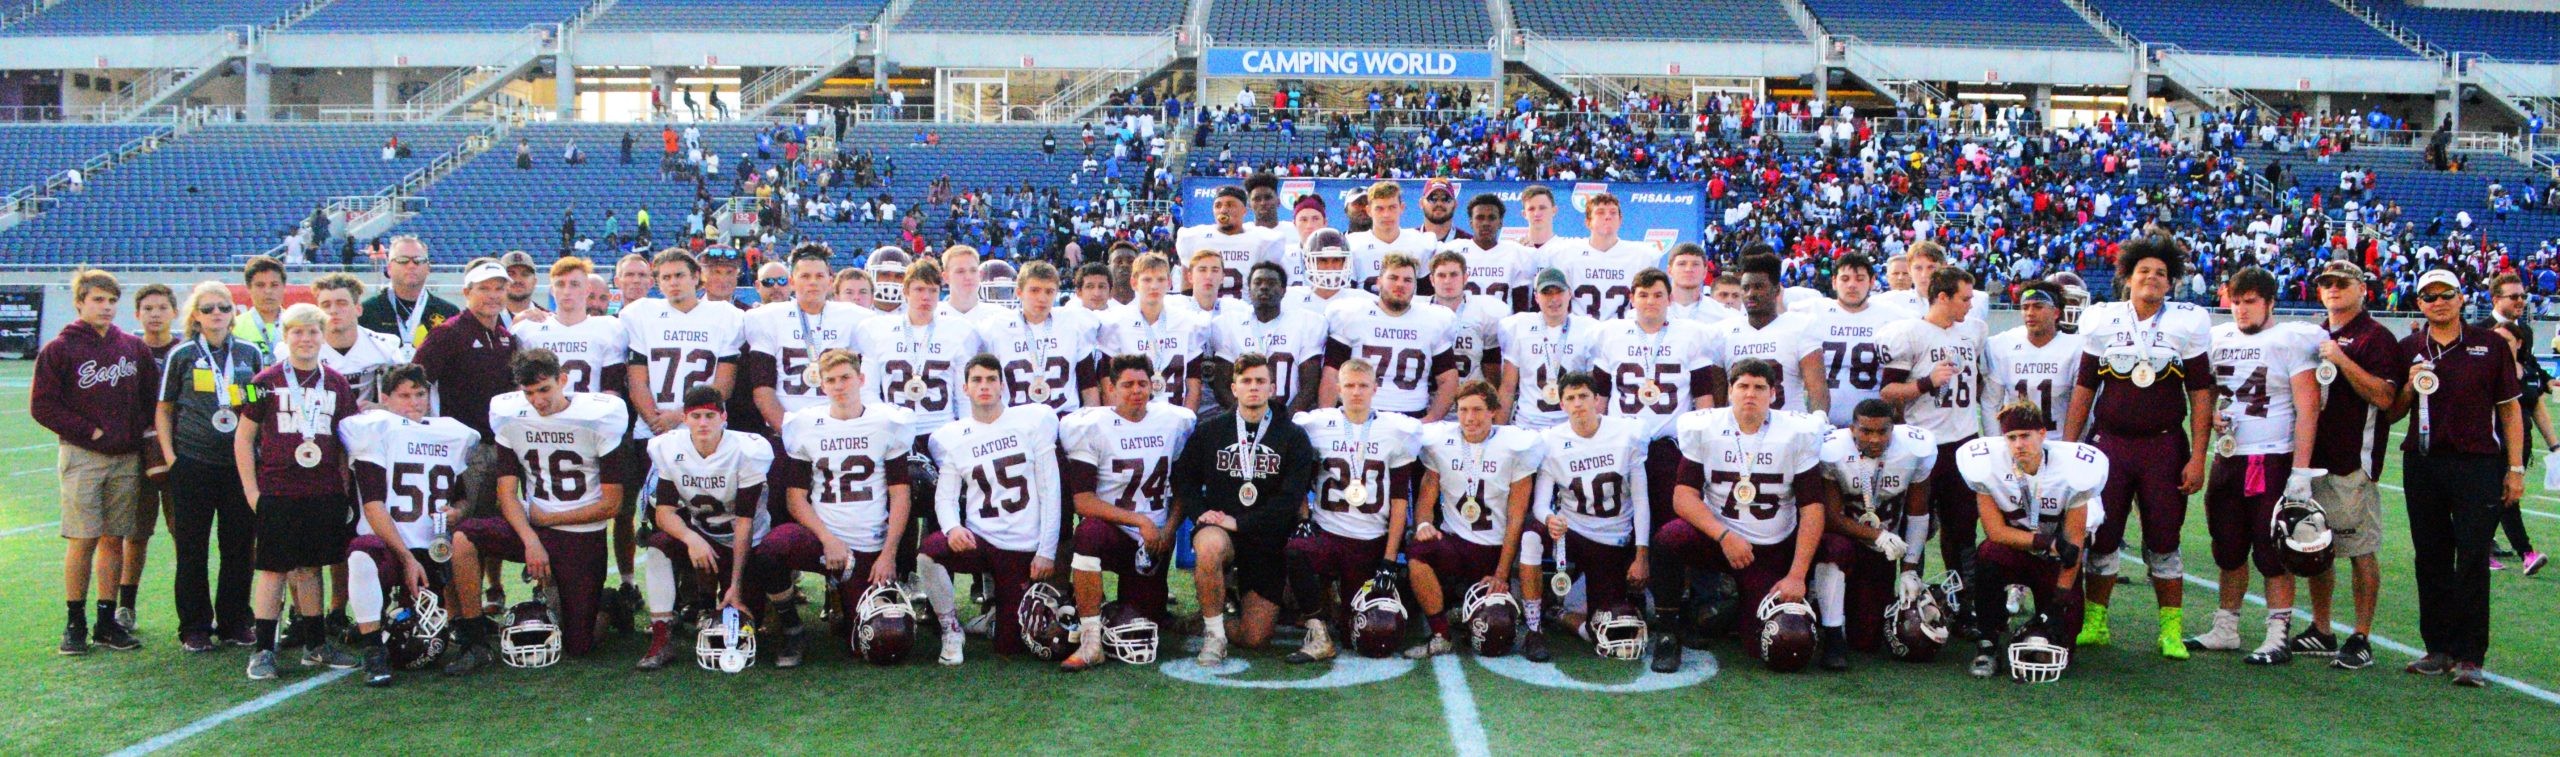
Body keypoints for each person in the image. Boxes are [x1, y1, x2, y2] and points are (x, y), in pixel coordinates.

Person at [2063, 236, 2216, 659]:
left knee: (2164, 538)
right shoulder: (2102, 319)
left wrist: (2198, 456)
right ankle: (2095, 622)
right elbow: (2084, 388)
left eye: (2161, 273)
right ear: (2128, 278)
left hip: (2163, 447)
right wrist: (2069, 448)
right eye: (2144, 270)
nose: (2152, 278)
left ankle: (2171, 630)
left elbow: (2201, 393)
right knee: (2103, 536)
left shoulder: (2188, 322)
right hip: (2110, 445)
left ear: (2171, 282)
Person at [443, 350, 633, 674]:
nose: (537, 401)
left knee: (579, 646)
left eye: (544, 389)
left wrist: (550, 519)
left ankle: (609, 603)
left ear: (563, 380)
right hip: (532, 527)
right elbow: (506, 494)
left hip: (580, 534)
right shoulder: (511, 417)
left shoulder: (599, 418)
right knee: (463, 538)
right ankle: (473, 641)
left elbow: (612, 504)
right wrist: (531, 539)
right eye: (529, 393)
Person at [2183, 266, 2324, 665]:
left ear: (2270, 303)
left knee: (2271, 550)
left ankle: (2277, 635)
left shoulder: (2291, 339)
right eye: (2236, 302)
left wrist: (2301, 471)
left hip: (2271, 456)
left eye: (2250, 302)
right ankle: (2226, 627)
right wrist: (2213, 416)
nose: (2242, 310)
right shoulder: (2219, 338)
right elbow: (2208, 393)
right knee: (2227, 546)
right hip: (2228, 457)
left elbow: (2308, 407)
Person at [2391, 268, 2524, 688]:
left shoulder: (2490, 344)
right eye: (2429, 296)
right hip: (2423, 463)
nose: (2439, 302)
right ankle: (2438, 648)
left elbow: (2509, 409)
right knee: (2429, 557)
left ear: (2462, 297)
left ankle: (2470, 656)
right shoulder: (2409, 347)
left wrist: (2515, 468)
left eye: (2446, 293)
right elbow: (2391, 412)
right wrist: (2409, 387)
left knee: (2472, 558)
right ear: (2419, 303)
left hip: (2477, 464)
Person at [234, 303, 362, 679]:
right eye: (297, 332)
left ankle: (315, 644)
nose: (306, 339)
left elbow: (344, 442)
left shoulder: (337, 382)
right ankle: (262, 649)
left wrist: (342, 488)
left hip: (323, 489)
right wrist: (251, 491)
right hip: (278, 488)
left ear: (323, 336)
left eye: (313, 332)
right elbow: (243, 438)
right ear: (285, 335)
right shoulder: (262, 380)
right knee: (273, 569)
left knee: (311, 568)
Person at [35, 269, 158, 655]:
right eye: (98, 300)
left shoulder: (133, 347)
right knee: (83, 538)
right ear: (79, 303)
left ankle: (107, 622)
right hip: (83, 456)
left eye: (111, 300)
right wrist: (90, 431)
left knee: (114, 538)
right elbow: (43, 405)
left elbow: (150, 399)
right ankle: (75, 622)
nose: (106, 307)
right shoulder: (59, 349)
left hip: (126, 458)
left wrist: (134, 433)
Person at [764, 349, 915, 658]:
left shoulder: (887, 422)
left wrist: (888, 554)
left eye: (845, 378)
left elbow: (900, 494)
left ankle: (840, 597)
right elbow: (795, 498)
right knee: (771, 548)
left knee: (875, 641)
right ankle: (792, 629)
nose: (839, 386)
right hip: (823, 539)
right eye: (831, 380)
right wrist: (827, 539)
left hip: (867, 544)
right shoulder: (806, 424)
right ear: (822, 385)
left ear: (861, 379)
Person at [915, 355, 1064, 665]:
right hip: (980, 539)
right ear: (965, 388)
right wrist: (953, 528)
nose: (984, 386)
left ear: (1002, 386)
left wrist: (1046, 551)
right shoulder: (954, 436)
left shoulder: (1031, 423)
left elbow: (1051, 491)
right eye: (977, 380)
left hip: (1021, 547)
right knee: (929, 553)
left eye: (991, 379)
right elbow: (945, 497)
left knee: (1010, 646)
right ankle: (951, 629)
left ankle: (997, 615)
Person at [635, 385, 794, 670]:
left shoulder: (746, 450)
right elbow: (664, 513)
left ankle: (782, 622)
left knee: (748, 619)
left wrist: (735, 585)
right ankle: (661, 637)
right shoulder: (669, 447)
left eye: (710, 415)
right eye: (696, 416)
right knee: (659, 545)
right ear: (684, 418)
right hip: (704, 535)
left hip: (748, 543)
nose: (703, 423)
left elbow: (744, 522)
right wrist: (691, 538)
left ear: (724, 417)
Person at [338, 364, 478, 686]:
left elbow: (461, 498)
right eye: (404, 396)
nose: (414, 403)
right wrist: (405, 557)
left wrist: (457, 512)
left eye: (419, 394)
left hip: (431, 548)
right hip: (388, 545)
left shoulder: (449, 432)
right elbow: (373, 505)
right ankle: (373, 650)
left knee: (424, 638)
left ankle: (469, 630)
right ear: (385, 398)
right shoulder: (377, 429)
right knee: (360, 556)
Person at [2292, 260, 2402, 669]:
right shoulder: (2317, 333)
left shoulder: (2376, 337)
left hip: (2352, 461)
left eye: (2342, 283)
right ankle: (2322, 629)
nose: (2333, 289)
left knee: (2360, 550)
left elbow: (2385, 398)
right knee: (2316, 549)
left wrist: (2341, 359)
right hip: (2312, 461)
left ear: (2362, 289)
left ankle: (2361, 635)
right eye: (2327, 283)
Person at [1173, 353, 1316, 665]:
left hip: (1267, 539)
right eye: (1246, 381)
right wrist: (1200, 512)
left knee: (1255, 638)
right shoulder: (1211, 431)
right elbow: (1183, 477)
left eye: (1260, 381)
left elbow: (1290, 499)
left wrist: (1241, 523)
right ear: (1233, 388)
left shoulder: (1292, 436)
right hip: (1221, 531)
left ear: (1272, 388)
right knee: (1208, 544)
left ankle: (1215, 616)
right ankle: (1214, 635)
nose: (1253, 387)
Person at [1057, 356, 1198, 671]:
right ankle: (1090, 639)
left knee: (1145, 626)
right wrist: (1140, 520)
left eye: (1142, 384)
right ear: (1110, 388)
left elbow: (1182, 489)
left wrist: (1169, 530)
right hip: (1114, 532)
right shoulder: (1090, 426)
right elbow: (1083, 501)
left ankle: (1111, 613)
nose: (1136, 391)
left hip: (1154, 542)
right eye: (1128, 384)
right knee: (1087, 533)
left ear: (1152, 386)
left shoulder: (1174, 421)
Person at [1955, 401, 2105, 680]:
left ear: (2042, 434)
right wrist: (2046, 542)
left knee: (2062, 641)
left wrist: (2059, 600)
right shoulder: (1987, 465)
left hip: (2055, 562)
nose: (2018, 444)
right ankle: (1988, 642)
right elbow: (1995, 532)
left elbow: (2074, 544)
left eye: (2025, 436)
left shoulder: (2072, 470)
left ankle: (2042, 624)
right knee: (1988, 553)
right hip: (2016, 552)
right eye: (2011, 437)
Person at [1287, 357, 1423, 663]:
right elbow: (1297, 476)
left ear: (1375, 388)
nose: (1356, 392)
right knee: (1297, 550)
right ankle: (1317, 628)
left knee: (1363, 638)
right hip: (1327, 532)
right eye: (1349, 385)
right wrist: (1304, 518)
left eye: (1363, 386)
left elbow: (1400, 500)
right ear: (1338, 389)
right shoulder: (1316, 425)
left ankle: (1340, 606)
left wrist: (1389, 559)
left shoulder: (1396, 430)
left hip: (1369, 540)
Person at [157, 281, 264, 652]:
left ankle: (235, 621)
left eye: (223, 307)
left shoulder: (250, 353)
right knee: (192, 548)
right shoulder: (183, 354)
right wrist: (172, 458)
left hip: (239, 466)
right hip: (194, 463)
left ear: (233, 313)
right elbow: (164, 408)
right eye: (208, 308)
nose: (216, 313)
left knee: (239, 546)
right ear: (195, 316)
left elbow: (257, 405)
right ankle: (194, 626)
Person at [1405, 380, 1543, 659]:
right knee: (1418, 551)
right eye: (1463, 410)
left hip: (1493, 549)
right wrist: (1423, 525)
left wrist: (1502, 573)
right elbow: (1425, 499)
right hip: (1454, 542)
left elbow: (1516, 518)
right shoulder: (1441, 441)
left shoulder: (1514, 445)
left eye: (1478, 409)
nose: (1470, 418)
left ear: (1493, 411)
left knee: (1495, 635)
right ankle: (1441, 634)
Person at [1588, 268, 1719, 551]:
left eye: (1658, 295)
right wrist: (1596, 440)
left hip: (1668, 446)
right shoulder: (1610, 333)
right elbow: (1600, 396)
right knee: (1621, 519)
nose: (1650, 301)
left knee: (1666, 522)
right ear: (1632, 298)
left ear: (1670, 299)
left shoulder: (1692, 334)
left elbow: (1703, 398)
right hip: (1622, 443)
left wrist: (1703, 448)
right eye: (1644, 295)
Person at [1532, 369, 1655, 663]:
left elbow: (1641, 500)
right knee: (1530, 537)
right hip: (1571, 532)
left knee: (1606, 628)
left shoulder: (1626, 434)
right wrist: (1549, 518)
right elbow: (1540, 504)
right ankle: (1533, 623)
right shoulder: (1551, 441)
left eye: (1584, 396)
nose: (1578, 404)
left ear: (1597, 400)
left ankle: (1558, 614)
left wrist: (1641, 555)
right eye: (1570, 398)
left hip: (1611, 540)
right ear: (1561, 403)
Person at [1816, 399, 1936, 662]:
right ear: (1852, 429)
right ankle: (1831, 632)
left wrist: (1909, 570)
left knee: (1866, 640)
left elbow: (1918, 513)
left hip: (1883, 550)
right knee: (1834, 548)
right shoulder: (1833, 450)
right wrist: (1877, 535)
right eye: (1866, 431)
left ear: (1893, 429)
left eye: (1882, 431)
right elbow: (1831, 518)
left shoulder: (1915, 449)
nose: (1875, 439)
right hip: (1848, 539)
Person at [745, 245, 872, 432]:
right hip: (787, 425)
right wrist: (788, 431)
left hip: (841, 428)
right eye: (805, 276)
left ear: (830, 281)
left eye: (819, 276)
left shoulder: (855, 317)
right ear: (792, 282)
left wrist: (850, 427)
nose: (813, 282)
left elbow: (865, 385)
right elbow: (763, 390)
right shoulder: (766, 317)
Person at [1321, 253, 1457, 420]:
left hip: (1412, 417)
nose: (1400, 284)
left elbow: (1448, 379)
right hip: (1357, 415)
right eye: (1393, 278)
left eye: (1408, 280)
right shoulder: (1351, 315)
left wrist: (1430, 420)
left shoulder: (1434, 320)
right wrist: (1327, 419)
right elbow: (1331, 374)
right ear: (1379, 282)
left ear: (1415, 286)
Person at [2477, 273, 2550, 574]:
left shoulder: (2525, 332)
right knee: (2500, 494)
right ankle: (2523, 552)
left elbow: (2531, 383)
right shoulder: (2477, 331)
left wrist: (2554, 443)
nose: (2521, 301)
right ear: (2495, 299)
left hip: (2519, 432)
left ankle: (2486, 545)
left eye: (2523, 296)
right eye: (2514, 296)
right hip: (2489, 433)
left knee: (2505, 493)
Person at [975, 260, 1102, 414]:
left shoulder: (1074, 323)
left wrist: (1090, 420)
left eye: (1049, 291)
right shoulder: (994, 328)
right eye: (1034, 290)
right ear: (1019, 292)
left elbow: (1089, 387)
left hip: (1064, 419)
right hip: (1014, 420)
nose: (1042, 298)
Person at [125, 284, 180, 635]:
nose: (155, 314)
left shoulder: (186, 350)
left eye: (162, 307)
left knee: (183, 533)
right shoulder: (127, 351)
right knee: (136, 533)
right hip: (135, 453)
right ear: (137, 314)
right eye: (148, 308)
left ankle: (190, 608)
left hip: (179, 453)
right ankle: (125, 606)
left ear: (174, 312)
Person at [1711, 251, 1827, 415]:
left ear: (1776, 290)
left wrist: (1818, 421)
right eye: (1746, 288)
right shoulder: (1723, 331)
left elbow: (1817, 388)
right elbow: (1718, 397)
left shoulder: (1801, 327)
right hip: (1738, 427)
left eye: (1758, 287)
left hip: (1788, 425)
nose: (1751, 294)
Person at [1207, 262, 1326, 414]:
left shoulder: (1305, 324)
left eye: (1271, 283)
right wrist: (1247, 417)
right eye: (1258, 283)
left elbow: (1310, 386)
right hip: (1242, 419)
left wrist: (1283, 421)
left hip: (1289, 419)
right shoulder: (1229, 324)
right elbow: (1222, 387)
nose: (1264, 287)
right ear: (1249, 291)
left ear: (1283, 291)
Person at [1806, 254, 1908, 428]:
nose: (1852, 285)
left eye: (1860, 279)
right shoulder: (1812, 312)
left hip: (1874, 426)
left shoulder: (1894, 316)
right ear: (1834, 282)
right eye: (1845, 279)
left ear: (1872, 281)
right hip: (1822, 424)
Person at [1099, 253, 1212, 411]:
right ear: (1134, 282)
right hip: (1130, 416)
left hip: (1175, 416)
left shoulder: (1188, 322)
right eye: (1147, 280)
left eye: (1160, 279)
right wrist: (1120, 420)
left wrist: (1187, 420)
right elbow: (1108, 384)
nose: (1154, 286)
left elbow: (1194, 385)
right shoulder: (1116, 322)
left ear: (1169, 283)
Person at [1497, 268, 1601, 431]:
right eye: (1546, 293)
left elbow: (1594, 390)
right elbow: (1508, 387)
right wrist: (1498, 430)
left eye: (1559, 292)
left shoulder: (1588, 330)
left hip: (1570, 427)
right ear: (1536, 297)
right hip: (1527, 425)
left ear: (1570, 294)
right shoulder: (1519, 326)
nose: (1554, 299)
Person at [1987, 279, 2085, 439]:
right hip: (2017, 444)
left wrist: (2068, 446)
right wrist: (1996, 443)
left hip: (2058, 441)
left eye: (2038, 307)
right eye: (2025, 307)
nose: (2030, 313)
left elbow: (2082, 407)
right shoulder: (2002, 344)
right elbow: (1991, 403)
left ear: (2056, 313)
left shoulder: (2077, 348)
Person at [1548, 194, 1653, 320]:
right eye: (1600, 212)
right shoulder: (1567, 254)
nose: (1608, 217)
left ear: (1620, 220)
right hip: (1580, 329)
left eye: (1613, 212)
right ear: (1588, 222)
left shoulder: (1640, 256)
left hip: (1623, 329)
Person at [309, 274, 405, 407]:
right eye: (326, 305)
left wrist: (384, 408)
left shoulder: (384, 346)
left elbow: (407, 393)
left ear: (358, 309)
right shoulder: (304, 347)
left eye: (342, 303)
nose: (333, 311)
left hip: (367, 418)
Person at [1176, 186, 1285, 303]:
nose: (1223, 210)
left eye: (1230, 205)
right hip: (1206, 312)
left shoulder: (1263, 240)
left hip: (1247, 311)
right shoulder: (1195, 237)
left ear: (1244, 210)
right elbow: (1187, 288)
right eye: (1218, 206)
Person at [1426, 251, 1511, 389]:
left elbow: (1491, 367)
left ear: (1465, 278)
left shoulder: (1484, 311)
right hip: (1429, 396)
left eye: (1454, 274)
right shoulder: (1420, 312)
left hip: (1471, 395)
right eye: (1441, 275)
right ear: (1432, 280)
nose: (1447, 281)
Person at [360, 237, 457, 355]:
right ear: (389, 268)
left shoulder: (449, 313)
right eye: (402, 260)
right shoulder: (366, 312)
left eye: (418, 260)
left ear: (428, 268)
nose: (411, 265)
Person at [1443, 193, 1537, 311]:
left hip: (1503, 322)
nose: (1486, 223)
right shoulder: (1454, 251)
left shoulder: (1516, 253)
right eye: (1480, 217)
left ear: (1500, 222)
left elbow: (1521, 307)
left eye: (1491, 218)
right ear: (1471, 222)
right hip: (1462, 322)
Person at [1345, 182, 1435, 293]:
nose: (1386, 214)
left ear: (1402, 208)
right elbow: (1348, 294)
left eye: (1392, 207)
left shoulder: (1419, 242)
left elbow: (1425, 295)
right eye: (1379, 208)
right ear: (1369, 211)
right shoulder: (1353, 244)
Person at [233, 256, 289, 358]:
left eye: (274, 285)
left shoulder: (298, 326)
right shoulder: (234, 327)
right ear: (249, 288)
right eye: (260, 285)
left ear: (284, 287)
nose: (268, 291)